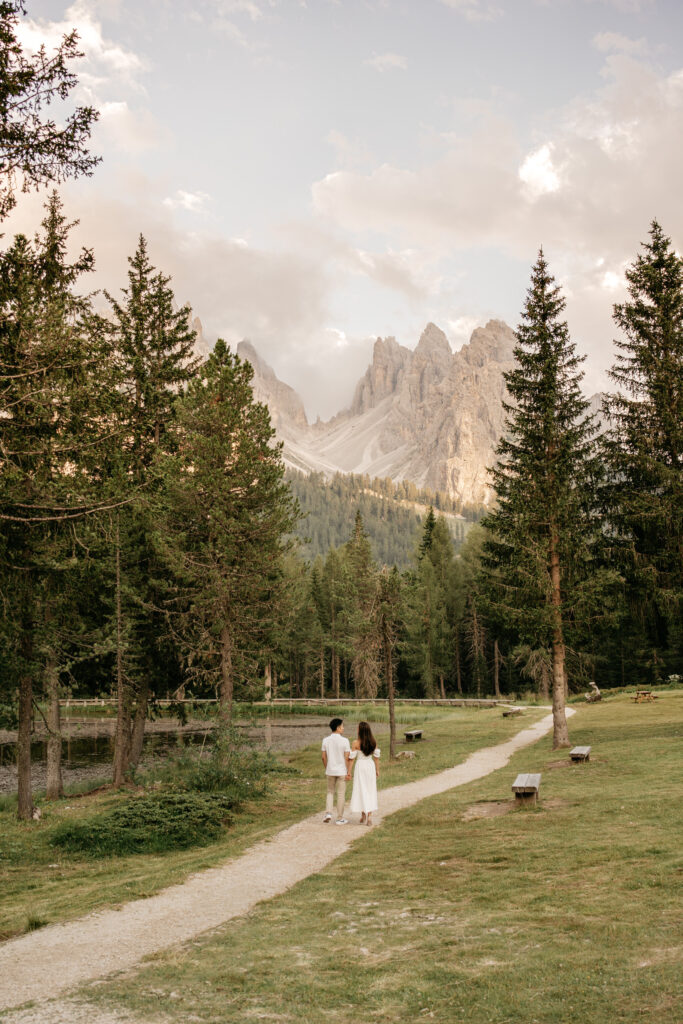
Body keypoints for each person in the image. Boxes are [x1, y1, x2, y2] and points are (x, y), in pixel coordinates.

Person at [349, 721, 380, 826]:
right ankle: (369, 816)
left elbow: (351, 759)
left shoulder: (355, 743)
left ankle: (363, 814)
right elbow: (376, 758)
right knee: (370, 789)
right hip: (370, 766)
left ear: (360, 730)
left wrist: (348, 771)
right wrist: (377, 770)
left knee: (361, 789)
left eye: (358, 728)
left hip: (360, 766)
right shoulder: (373, 742)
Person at [321, 717, 351, 824]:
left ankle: (328, 813)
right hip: (342, 771)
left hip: (330, 770)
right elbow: (347, 757)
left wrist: (327, 767)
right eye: (342, 726)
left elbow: (323, 757)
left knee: (330, 792)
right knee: (341, 794)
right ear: (338, 728)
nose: (343, 728)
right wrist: (348, 771)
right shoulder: (345, 741)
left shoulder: (325, 740)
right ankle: (339, 818)